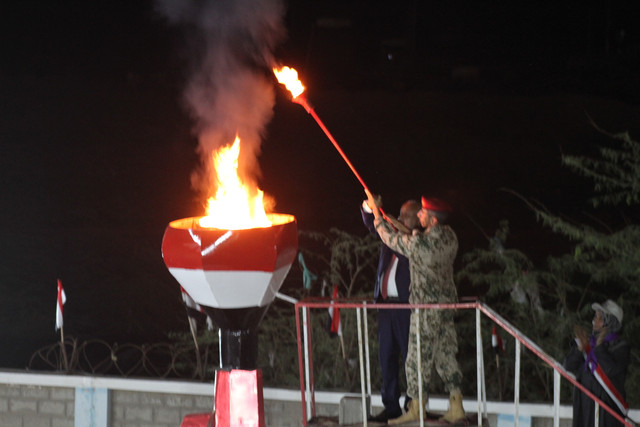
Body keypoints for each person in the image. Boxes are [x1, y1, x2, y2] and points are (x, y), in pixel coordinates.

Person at [365, 190, 466, 425]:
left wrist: (379, 219)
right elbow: (413, 235)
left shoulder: (422, 246)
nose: (419, 214)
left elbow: (391, 240)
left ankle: (416, 407)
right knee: (446, 356)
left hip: (425, 310)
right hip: (445, 308)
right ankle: (457, 405)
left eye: (423, 212)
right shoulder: (450, 237)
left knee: (416, 359)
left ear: (433, 220)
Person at [361, 198, 420, 422]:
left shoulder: (417, 240)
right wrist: (371, 207)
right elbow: (371, 223)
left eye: (407, 216)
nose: (401, 218)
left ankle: (412, 406)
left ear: (417, 219)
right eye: (401, 214)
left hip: (406, 307)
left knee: (409, 357)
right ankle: (391, 406)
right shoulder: (391, 235)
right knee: (386, 356)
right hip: (386, 306)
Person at [563, 300, 631, 427]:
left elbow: (611, 369)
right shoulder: (586, 342)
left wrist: (599, 347)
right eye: (594, 317)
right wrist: (579, 349)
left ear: (610, 321)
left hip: (607, 411)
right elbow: (568, 365)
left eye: (599, 317)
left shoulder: (621, 347)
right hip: (584, 407)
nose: (594, 321)